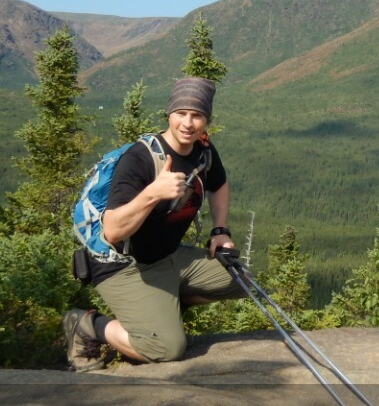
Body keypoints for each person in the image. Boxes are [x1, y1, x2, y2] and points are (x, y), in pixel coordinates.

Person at [62, 77, 246, 372]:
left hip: (168, 255)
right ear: (168, 114)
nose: (188, 123)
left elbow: (219, 184)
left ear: (206, 120)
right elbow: (112, 230)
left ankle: (165, 305)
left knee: (241, 278)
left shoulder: (203, 151)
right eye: (181, 113)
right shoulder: (140, 159)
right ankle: (87, 325)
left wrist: (220, 230)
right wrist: (152, 194)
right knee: (166, 348)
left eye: (197, 115)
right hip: (123, 264)